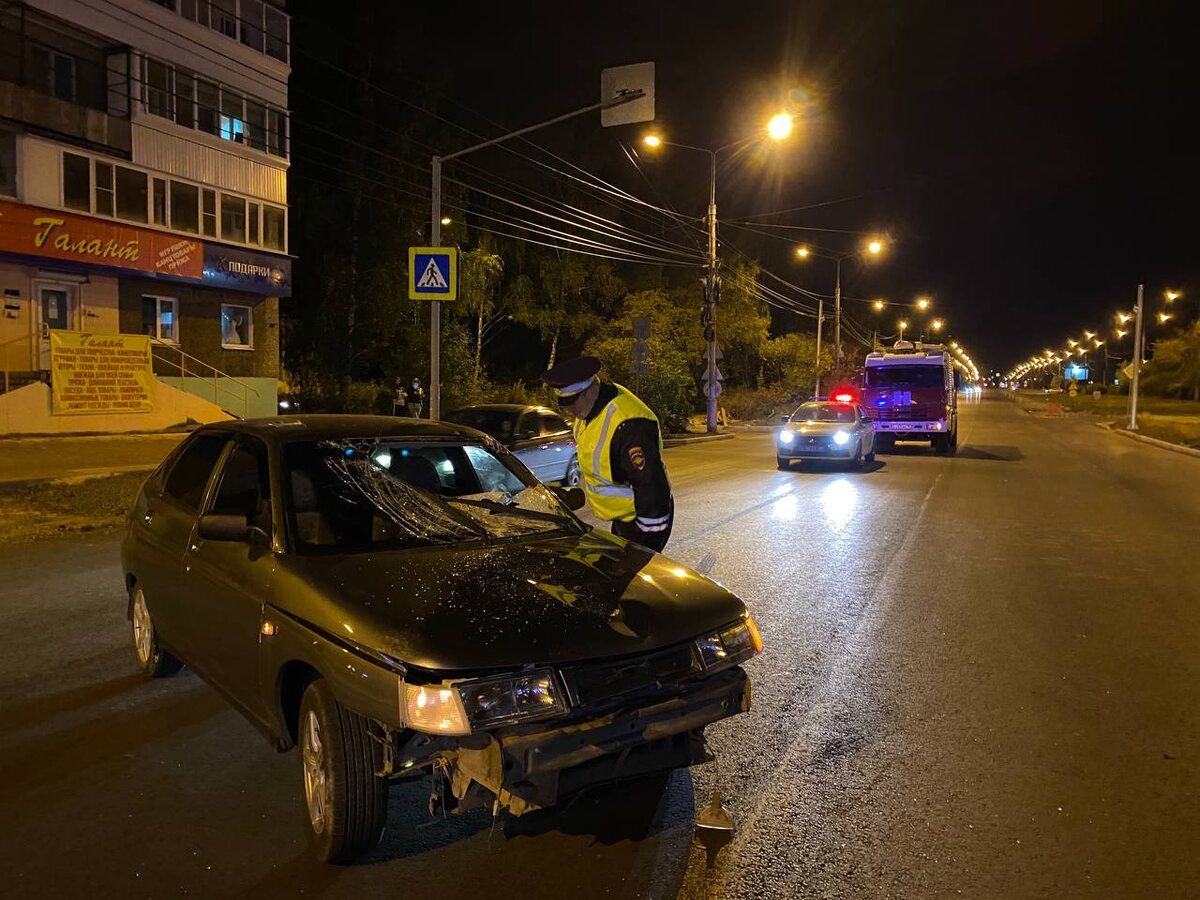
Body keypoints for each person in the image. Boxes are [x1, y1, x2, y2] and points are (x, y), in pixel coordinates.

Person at [542, 356, 673, 552]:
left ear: (591, 390)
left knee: (633, 579)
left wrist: (647, 539)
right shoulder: (588, 412)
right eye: (565, 405)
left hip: (644, 520)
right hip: (624, 519)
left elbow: (650, 483)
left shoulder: (629, 424)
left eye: (572, 403)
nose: (570, 411)